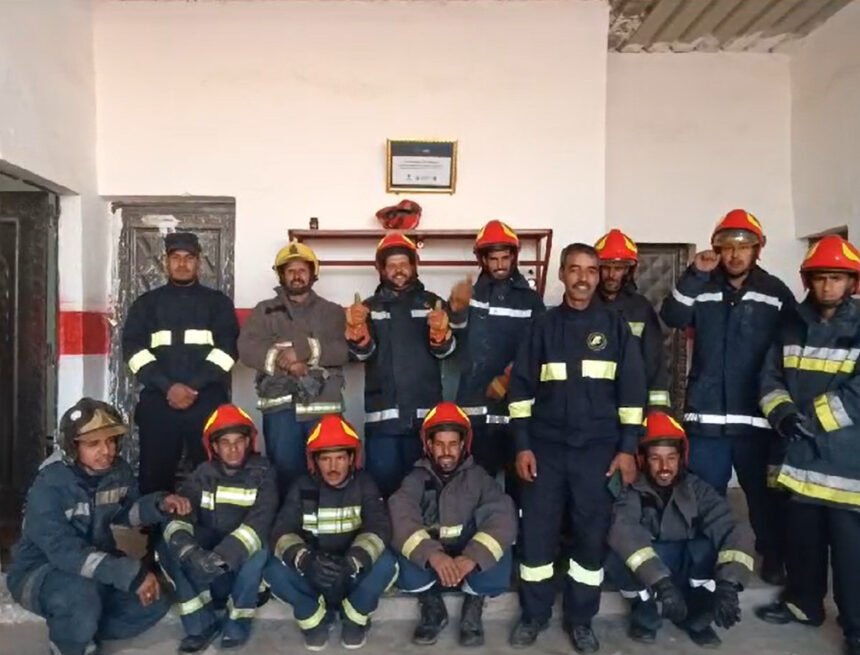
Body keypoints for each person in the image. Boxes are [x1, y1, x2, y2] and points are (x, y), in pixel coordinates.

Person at [507, 243, 647, 653]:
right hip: (545, 451)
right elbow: (520, 392)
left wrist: (627, 448)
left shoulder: (616, 327)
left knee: (590, 536)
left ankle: (581, 619)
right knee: (537, 536)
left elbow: (632, 394)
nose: (583, 278)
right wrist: (522, 445)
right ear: (562, 275)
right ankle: (534, 616)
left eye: (591, 270)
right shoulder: (541, 327)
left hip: (599, 454)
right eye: (574, 269)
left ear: (600, 274)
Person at [660, 209, 795, 585]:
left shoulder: (775, 292)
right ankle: (706, 565)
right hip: (706, 420)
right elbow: (671, 315)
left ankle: (772, 558)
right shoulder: (701, 286)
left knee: (764, 499)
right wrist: (694, 274)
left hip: (756, 419)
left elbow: (793, 346)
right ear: (716, 249)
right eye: (727, 247)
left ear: (758, 250)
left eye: (744, 247)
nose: (735, 255)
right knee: (705, 500)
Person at [6, 398, 191, 655]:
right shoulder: (49, 484)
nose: (107, 451)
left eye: (111, 441)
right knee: (81, 596)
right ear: (72, 447)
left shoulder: (117, 472)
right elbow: (64, 552)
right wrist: (129, 574)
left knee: (154, 601)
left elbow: (128, 513)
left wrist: (159, 504)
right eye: (94, 444)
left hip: (94, 564)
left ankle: (81, 627)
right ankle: (70, 644)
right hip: (40, 572)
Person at [755, 235, 860, 655]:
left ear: (851, 283)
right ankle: (804, 604)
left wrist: (810, 418)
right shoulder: (791, 324)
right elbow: (769, 377)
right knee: (804, 542)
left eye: (836, 278)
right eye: (820, 279)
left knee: (851, 556)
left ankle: (855, 628)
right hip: (798, 459)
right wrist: (781, 414)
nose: (827, 287)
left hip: (846, 462)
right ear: (808, 281)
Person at [607, 411, 754, 648]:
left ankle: (697, 615)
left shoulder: (697, 488)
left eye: (671, 458)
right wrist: (660, 582)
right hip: (651, 572)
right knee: (616, 554)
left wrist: (729, 584)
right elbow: (624, 530)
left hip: (685, 565)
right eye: (655, 458)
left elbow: (733, 528)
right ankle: (644, 612)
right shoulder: (631, 490)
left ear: (681, 458)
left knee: (708, 547)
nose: (664, 467)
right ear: (643, 460)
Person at [388, 402, 517, 647]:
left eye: (452, 444)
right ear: (428, 445)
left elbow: (503, 518)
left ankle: (473, 603)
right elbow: (399, 515)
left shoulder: (479, 478)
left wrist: (473, 557)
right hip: (432, 562)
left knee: (501, 550)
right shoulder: (415, 479)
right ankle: (432, 605)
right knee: (399, 550)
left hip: (467, 559)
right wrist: (432, 555)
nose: (446, 452)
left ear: (463, 446)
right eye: (439, 444)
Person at [264, 414, 396, 651]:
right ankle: (314, 619)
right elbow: (281, 531)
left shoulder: (364, 484)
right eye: (325, 459)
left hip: (352, 573)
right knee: (272, 569)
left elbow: (379, 527)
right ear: (314, 461)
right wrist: (306, 561)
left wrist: (353, 562)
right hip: (313, 575)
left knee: (387, 563)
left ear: (351, 459)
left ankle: (354, 618)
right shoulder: (302, 486)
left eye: (339, 458)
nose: (333, 467)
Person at [122, 231, 239, 495]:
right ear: (166, 261)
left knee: (212, 470)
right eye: (176, 257)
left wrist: (193, 387)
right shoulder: (146, 305)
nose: (182, 263)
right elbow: (133, 351)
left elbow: (228, 351)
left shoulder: (217, 304)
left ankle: (209, 528)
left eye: (189, 258)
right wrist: (167, 387)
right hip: (159, 401)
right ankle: (155, 531)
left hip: (206, 399)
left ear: (199, 262)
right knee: (155, 472)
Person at [158, 404, 278, 651]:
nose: (233, 449)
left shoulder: (263, 473)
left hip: (242, 575)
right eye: (225, 442)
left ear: (249, 442)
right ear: (213, 446)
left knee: (260, 547)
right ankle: (200, 625)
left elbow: (259, 523)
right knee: (168, 543)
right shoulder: (203, 474)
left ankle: (237, 625)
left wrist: (220, 559)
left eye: (239, 441)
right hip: (208, 570)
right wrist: (191, 552)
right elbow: (179, 512)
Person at [345, 232, 457, 497]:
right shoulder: (367, 308)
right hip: (383, 425)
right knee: (384, 495)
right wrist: (356, 330)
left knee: (427, 494)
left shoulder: (433, 303)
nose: (398, 270)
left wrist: (441, 334)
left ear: (414, 266)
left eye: (403, 264)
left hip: (425, 423)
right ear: (381, 269)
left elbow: (447, 353)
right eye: (392, 265)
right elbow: (362, 355)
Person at [238, 239, 349, 496]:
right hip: (280, 409)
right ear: (281, 276)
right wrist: (286, 364)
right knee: (285, 476)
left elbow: (344, 350)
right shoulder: (264, 311)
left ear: (313, 274)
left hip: (324, 410)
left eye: (302, 270)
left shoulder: (332, 312)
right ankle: (288, 533)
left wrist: (302, 352)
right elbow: (247, 349)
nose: (296, 276)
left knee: (329, 475)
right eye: (290, 271)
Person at [449, 220, 545, 477]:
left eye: (505, 258)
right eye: (493, 259)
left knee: (520, 492)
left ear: (515, 257)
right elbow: (450, 345)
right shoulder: (470, 293)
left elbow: (538, 349)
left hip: (518, 415)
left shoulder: (531, 300)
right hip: (475, 414)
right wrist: (456, 311)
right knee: (474, 489)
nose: (500, 265)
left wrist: (508, 378)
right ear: (482, 260)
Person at [595, 229, 670, 409]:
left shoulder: (641, 309)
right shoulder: (584, 305)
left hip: (633, 405)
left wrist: (657, 412)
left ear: (628, 270)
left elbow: (655, 365)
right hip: (593, 407)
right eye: (606, 267)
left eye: (618, 268)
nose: (612, 275)